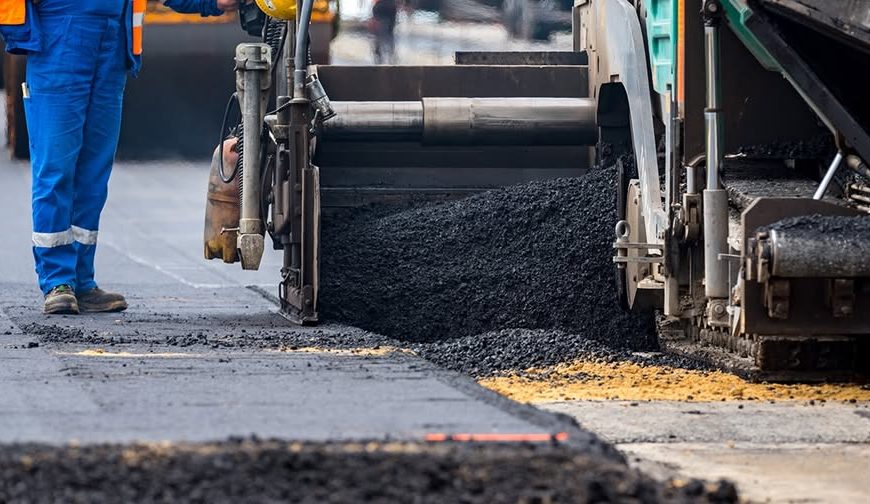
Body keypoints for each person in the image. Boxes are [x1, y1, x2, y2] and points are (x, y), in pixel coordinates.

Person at [0, 0, 241, 315]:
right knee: (56, 166)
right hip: (59, 35)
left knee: (93, 174)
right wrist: (20, 32)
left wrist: (211, 2)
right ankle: (57, 280)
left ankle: (81, 281)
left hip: (112, 43)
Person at [370, 0, 398, 64]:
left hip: (381, 8)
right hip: (389, 8)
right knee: (389, 34)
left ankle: (379, 55)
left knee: (379, 35)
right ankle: (390, 56)